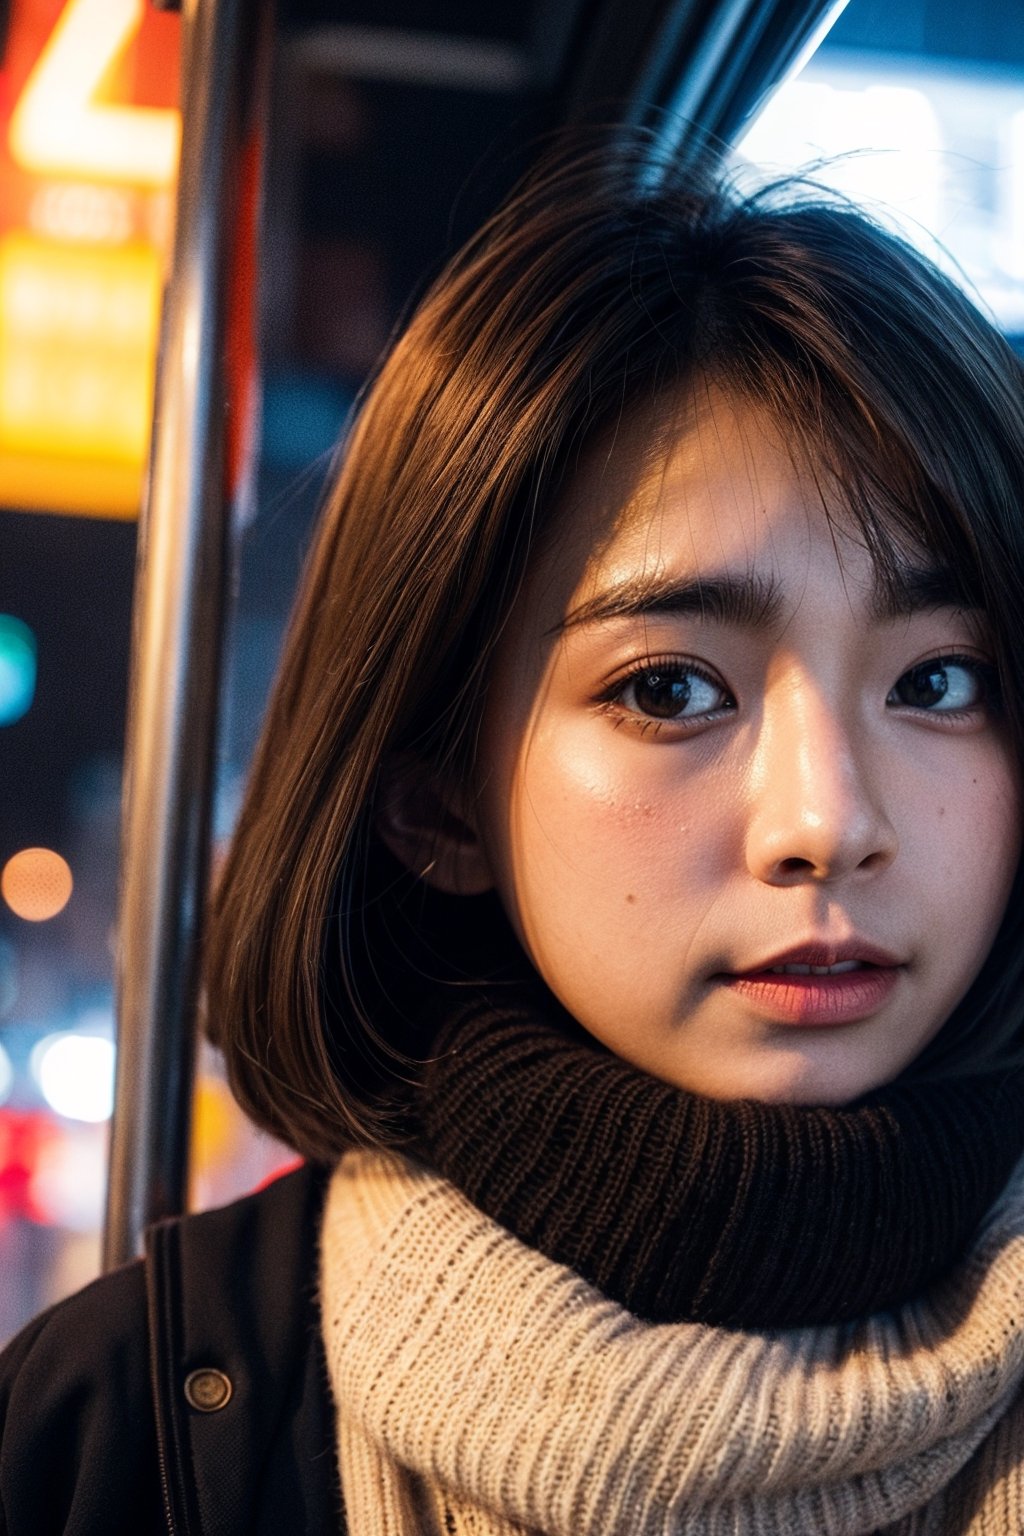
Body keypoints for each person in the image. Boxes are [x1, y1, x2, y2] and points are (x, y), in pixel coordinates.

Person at [3, 133, 1024, 1535]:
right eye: (671, 688)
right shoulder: (118, 1430)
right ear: (436, 797)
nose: (827, 823)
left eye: (937, 682)